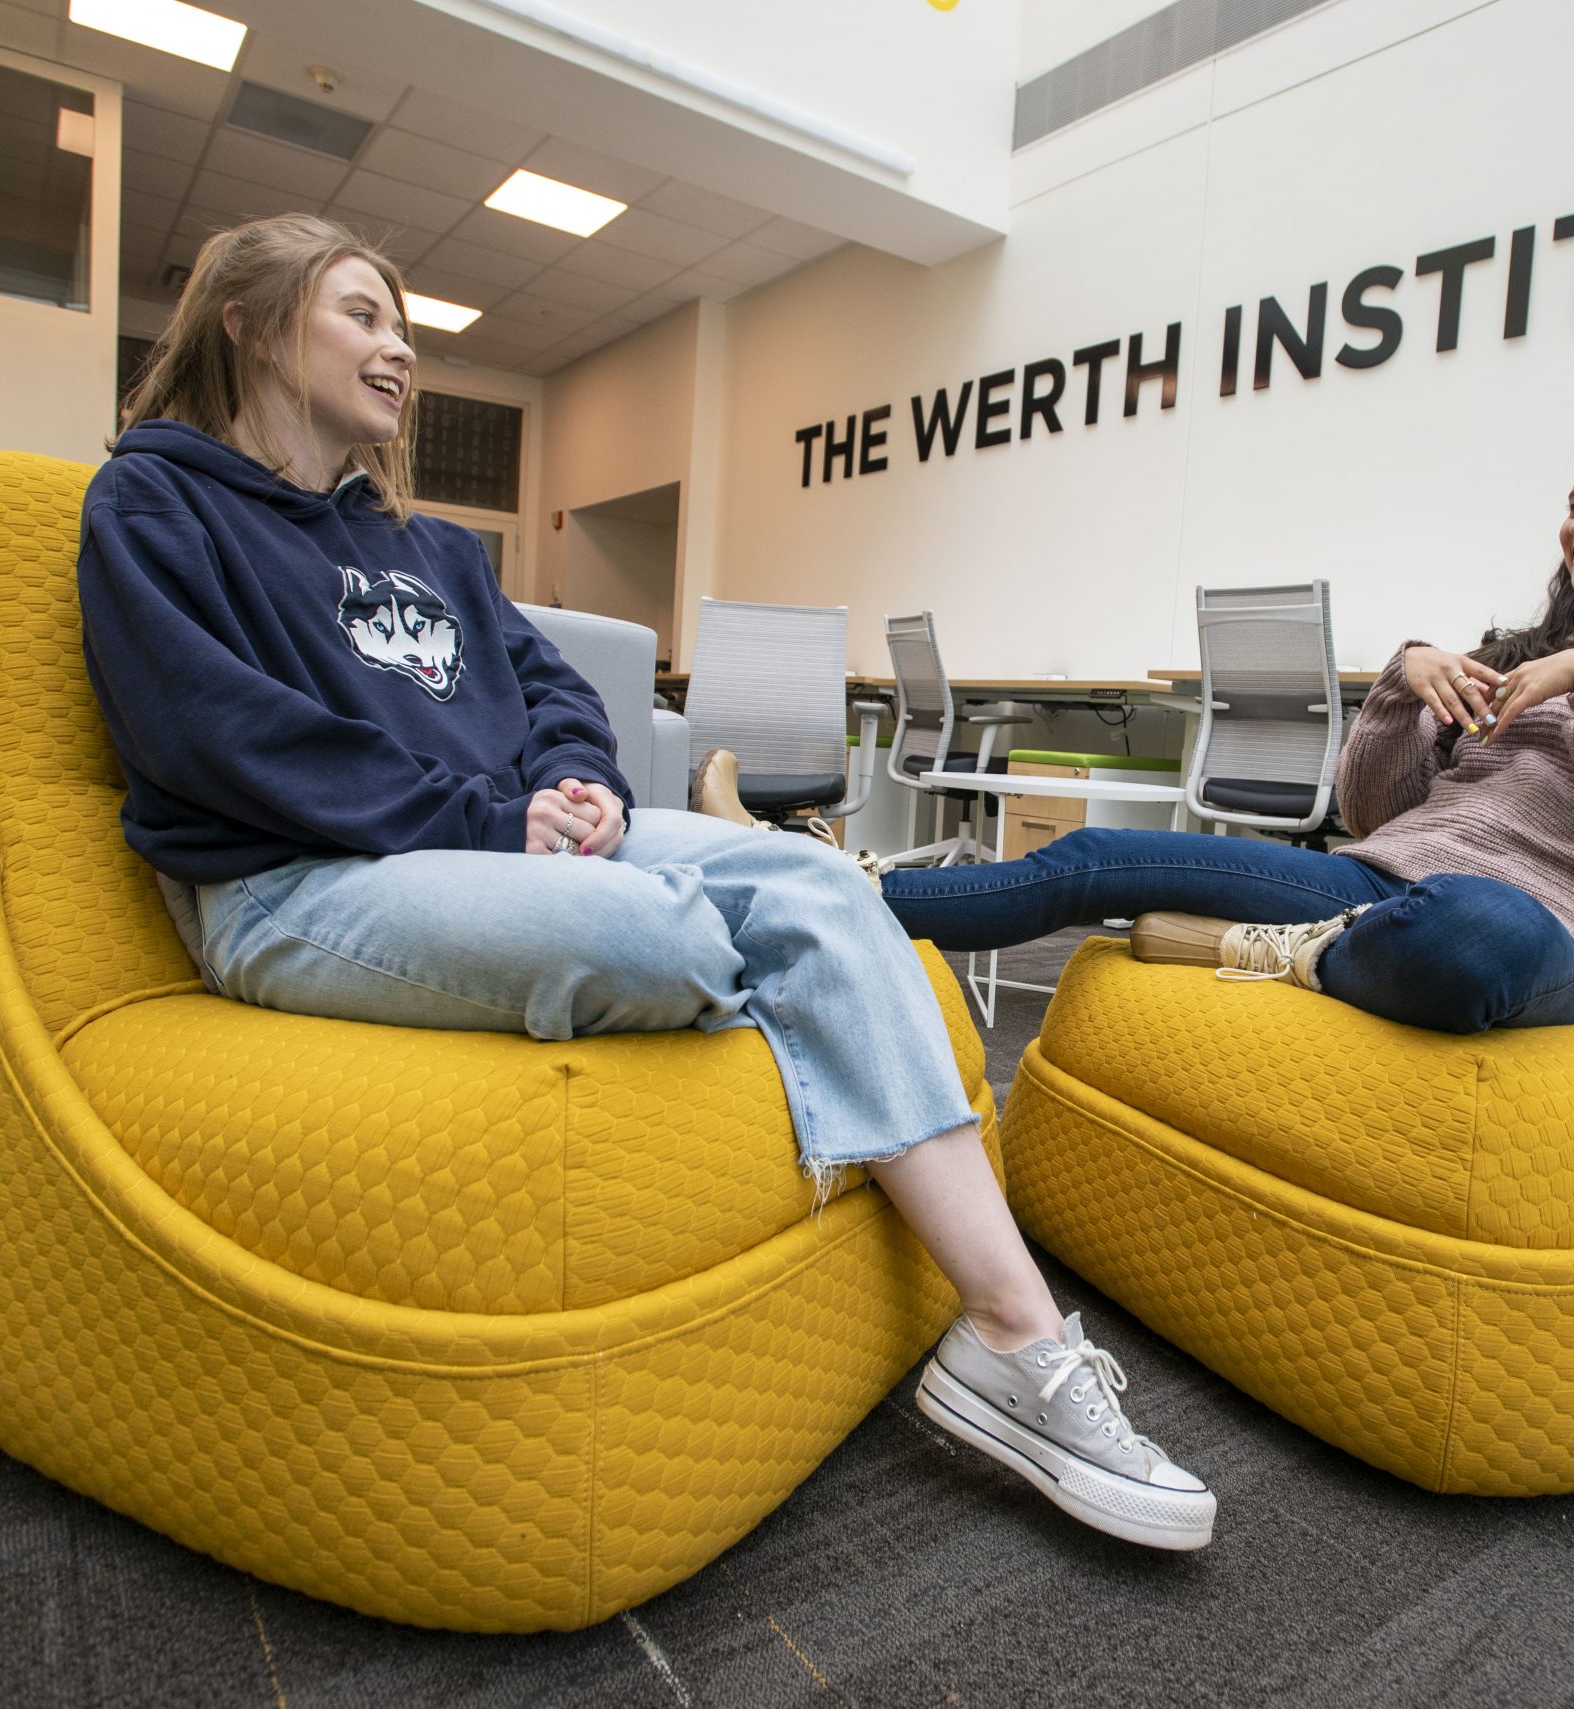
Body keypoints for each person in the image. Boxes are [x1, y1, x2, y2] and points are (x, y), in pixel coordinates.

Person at [77, 213, 1215, 1552]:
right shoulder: (150, 504)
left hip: (493, 837)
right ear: (250, 323)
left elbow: (552, 686)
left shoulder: (432, 547)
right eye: (360, 316)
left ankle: (1015, 1342)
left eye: (405, 326)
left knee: (823, 887)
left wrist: (584, 786)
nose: (398, 351)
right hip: (294, 879)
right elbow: (215, 737)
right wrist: (499, 822)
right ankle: (848, 1065)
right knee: (656, 937)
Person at [881, 427, 1574, 1033]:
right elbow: (1376, 809)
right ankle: (825, 884)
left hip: (1546, 918)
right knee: (1092, 856)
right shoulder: (1523, 650)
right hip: (1379, 877)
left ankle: (1297, 952)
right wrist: (1403, 687)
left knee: (1469, 934)